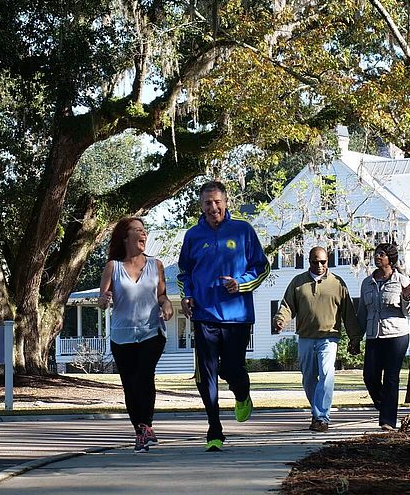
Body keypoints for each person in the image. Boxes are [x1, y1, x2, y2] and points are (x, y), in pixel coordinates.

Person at [177, 180, 270, 452]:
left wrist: (241, 284)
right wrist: (187, 295)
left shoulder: (243, 231)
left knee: (231, 369)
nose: (213, 207)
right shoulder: (193, 236)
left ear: (226, 203)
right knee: (207, 374)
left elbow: (261, 267)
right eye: (208, 203)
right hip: (204, 314)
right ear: (201, 206)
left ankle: (242, 394)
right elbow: (184, 273)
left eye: (217, 202)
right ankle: (214, 429)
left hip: (237, 316)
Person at [98, 217, 173, 453]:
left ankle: (146, 426)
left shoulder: (156, 265)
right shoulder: (113, 267)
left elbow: (162, 295)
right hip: (122, 336)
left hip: (151, 332)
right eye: (137, 230)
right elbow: (102, 300)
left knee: (144, 375)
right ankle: (141, 432)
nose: (143, 234)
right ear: (125, 237)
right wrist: (104, 300)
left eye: (144, 230)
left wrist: (167, 305)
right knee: (130, 385)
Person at [273, 246, 360, 432]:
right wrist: (280, 320)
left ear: (327, 260)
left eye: (323, 262)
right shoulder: (298, 282)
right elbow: (287, 306)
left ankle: (321, 417)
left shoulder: (337, 283)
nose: (319, 265)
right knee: (309, 378)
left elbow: (349, 313)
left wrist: (355, 338)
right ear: (309, 261)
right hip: (305, 337)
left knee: (327, 374)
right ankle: (317, 412)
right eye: (315, 262)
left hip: (329, 338)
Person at [357, 241, 410, 431]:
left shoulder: (402, 280)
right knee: (370, 376)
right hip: (374, 336)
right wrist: (356, 337)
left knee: (391, 378)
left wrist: (406, 297)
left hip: (397, 336)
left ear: (390, 258)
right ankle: (385, 406)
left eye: (381, 254)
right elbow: (362, 313)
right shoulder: (367, 282)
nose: (377, 257)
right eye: (376, 254)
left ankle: (387, 421)